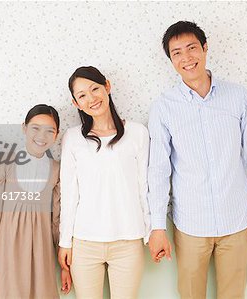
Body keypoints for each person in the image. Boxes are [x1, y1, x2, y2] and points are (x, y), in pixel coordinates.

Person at [147, 21, 247, 299]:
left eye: (192, 48)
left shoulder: (238, 96)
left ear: (205, 48)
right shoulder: (163, 107)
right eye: (177, 52)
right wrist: (157, 227)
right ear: (171, 60)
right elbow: (157, 171)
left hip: (237, 221)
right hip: (190, 224)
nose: (186, 58)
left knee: (233, 295)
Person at [58, 66, 150, 299]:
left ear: (107, 86)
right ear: (76, 103)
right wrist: (65, 242)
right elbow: (69, 195)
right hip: (84, 243)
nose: (91, 98)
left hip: (128, 240)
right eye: (82, 96)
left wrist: (152, 232)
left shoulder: (138, 133)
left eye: (95, 89)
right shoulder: (72, 138)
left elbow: (144, 188)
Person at [0, 104, 71, 298]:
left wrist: (64, 264)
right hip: (7, 248)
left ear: (57, 134)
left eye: (49, 130)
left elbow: (56, 217)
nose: (41, 136)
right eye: (35, 128)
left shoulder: (56, 168)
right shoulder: (4, 162)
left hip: (40, 252)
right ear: (24, 128)